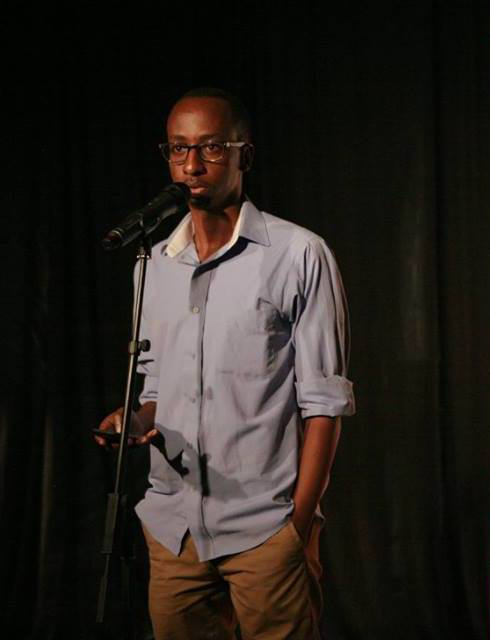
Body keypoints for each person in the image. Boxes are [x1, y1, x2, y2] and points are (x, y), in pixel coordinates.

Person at [96, 87, 355, 640]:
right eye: (178, 148)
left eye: (212, 147)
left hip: (265, 530)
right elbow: (157, 390)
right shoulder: (153, 265)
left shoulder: (298, 254)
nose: (192, 165)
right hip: (173, 531)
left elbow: (324, 404)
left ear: (245, 156)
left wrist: (297, 525)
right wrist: (131, 421)